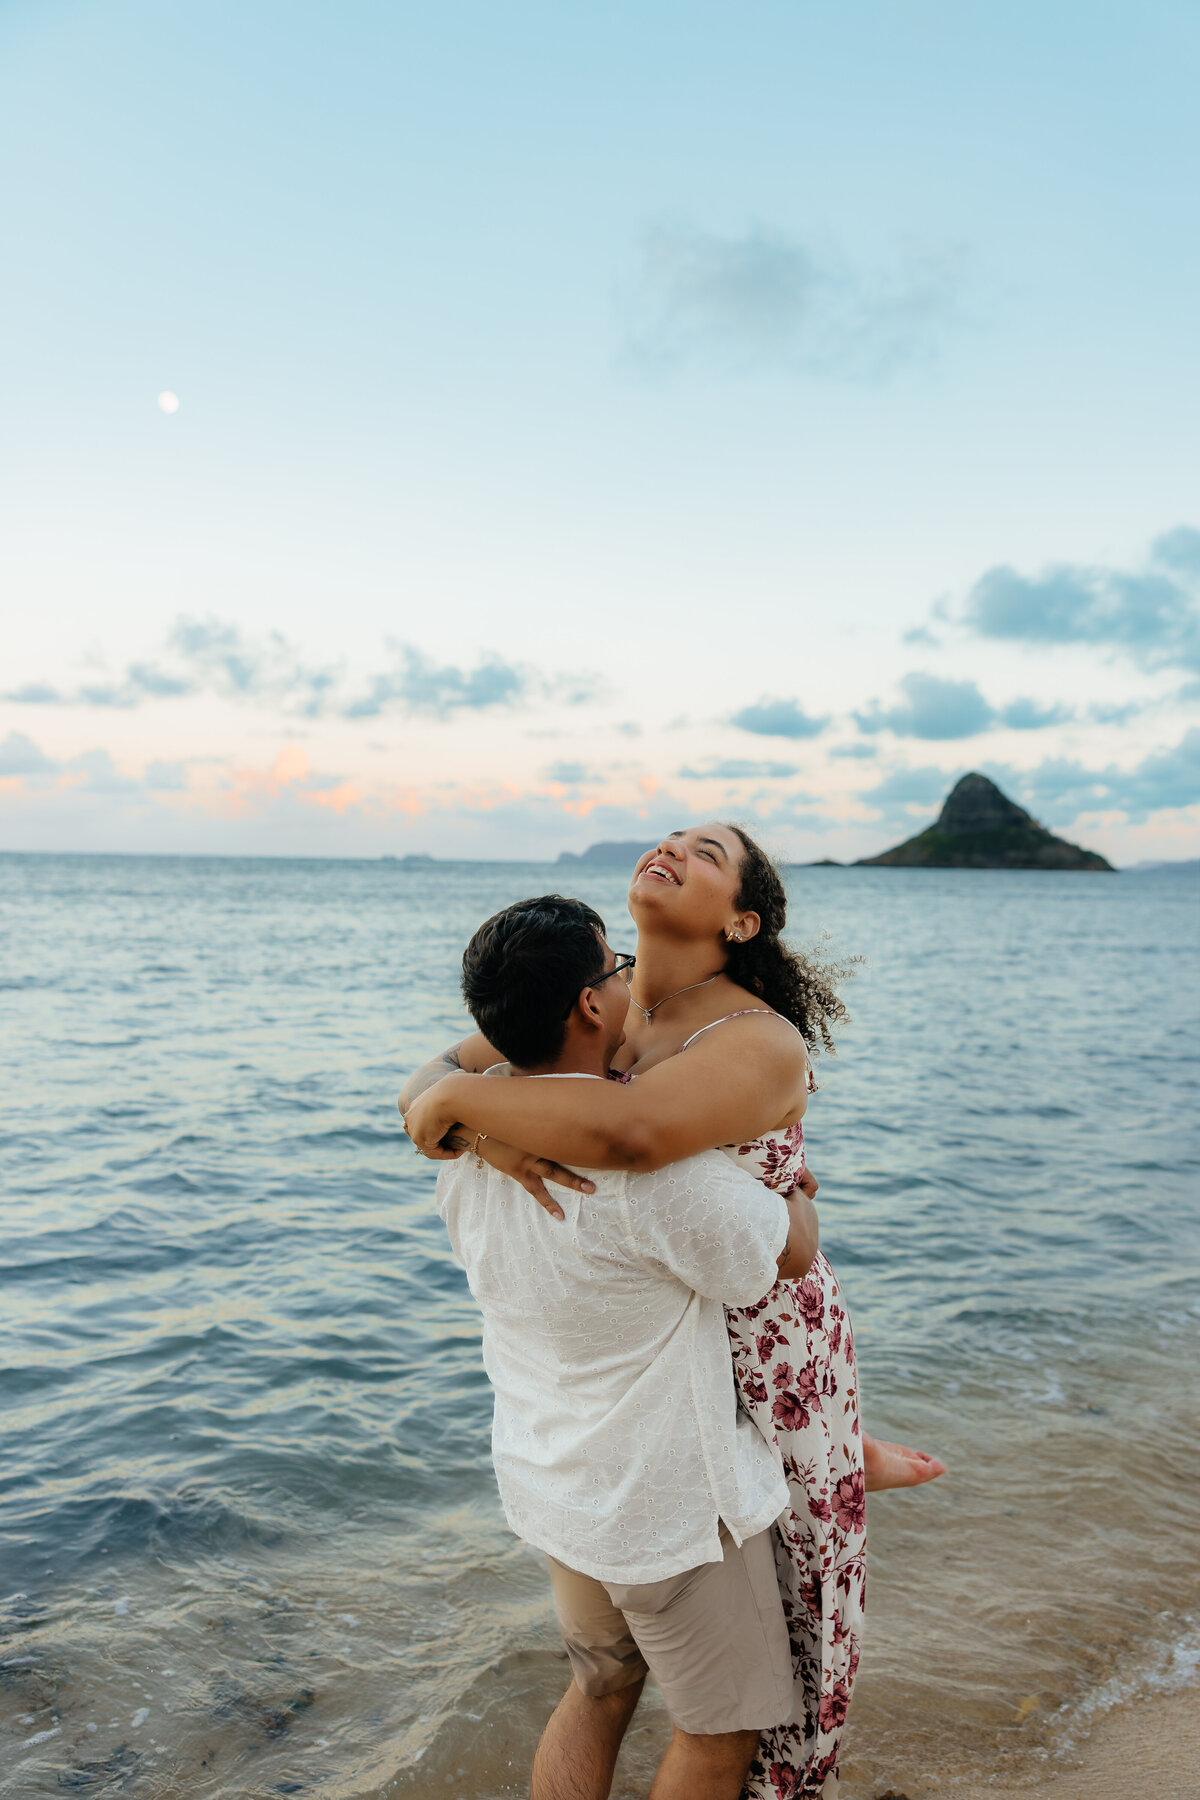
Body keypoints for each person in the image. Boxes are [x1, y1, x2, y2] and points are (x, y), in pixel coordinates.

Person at [403, 823, 946, 1799]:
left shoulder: (755, 1036)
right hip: (675, 1331)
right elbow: (436, 1076)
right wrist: (466, 1121)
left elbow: (635, 1132)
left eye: (707, 851)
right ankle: (848, 1459)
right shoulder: (607, 1008)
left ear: (741, 919)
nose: (674, 846)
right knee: (699, 1696)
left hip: (767, 1327)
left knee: (783, 1626)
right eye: (671, 836)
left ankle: (843, 1455)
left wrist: (467, 1116)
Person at [433, 893, 824, 1800]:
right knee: (720, 1736)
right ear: (588, 1006)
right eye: (614, 971)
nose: (626, 983)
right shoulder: (659, 1174)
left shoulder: (472, 1143)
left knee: (600, 1685)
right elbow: (783, 1255)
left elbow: (437, 1091)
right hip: (667, 1506)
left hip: (555, 1482)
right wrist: (795, 1190)